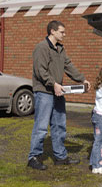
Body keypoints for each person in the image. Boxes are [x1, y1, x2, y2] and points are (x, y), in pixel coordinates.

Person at [28, 20, 91, 170]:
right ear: (52, 31)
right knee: (41, 127)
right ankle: (34, 157)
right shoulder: (41, 48)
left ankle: (60, 157)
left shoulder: (60, 49)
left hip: (58, 92)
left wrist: (82, 79)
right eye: (62, 32)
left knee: (59, 126)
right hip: (44, 92)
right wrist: (53, 84)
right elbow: (40, 71)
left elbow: (68, 66)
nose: (64, 34)